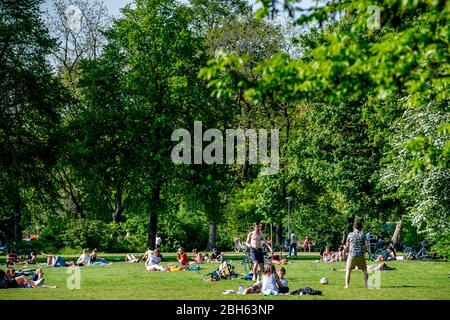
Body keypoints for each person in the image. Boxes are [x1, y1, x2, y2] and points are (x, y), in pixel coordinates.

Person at [345, 220, 369, 289]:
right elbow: (366, 245)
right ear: (361, 227)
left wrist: (347, 253)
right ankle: (366, 285)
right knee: (364, 270)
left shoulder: (350, 234)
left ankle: (347, 285)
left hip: (352, 255)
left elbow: (347, 245)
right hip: (360, 255)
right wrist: (364, 251)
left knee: (348, 270)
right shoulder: (363, 234)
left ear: (354, 227)